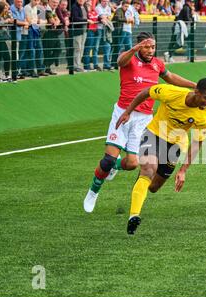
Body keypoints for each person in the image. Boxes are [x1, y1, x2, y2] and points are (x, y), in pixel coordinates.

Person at [83, 32, 197, 213]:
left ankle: (116, 166)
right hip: (122, 113)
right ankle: (93, 192)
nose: (151, 50)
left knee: (132, 164)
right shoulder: (129, 59)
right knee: (107, 160)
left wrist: (194, 85)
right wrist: (134, 49)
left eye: (153, 47)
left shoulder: (157, 64)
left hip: (144, 120)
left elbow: (171, 77)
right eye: (147, 46)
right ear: (139, 46)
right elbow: (120, 62)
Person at [115, 78, 206, 235]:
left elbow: (197, 142)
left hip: (175, 146)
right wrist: (128, 112)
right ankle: (133, 215)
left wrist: (183, 170)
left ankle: (137, 179)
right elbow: (146, 92)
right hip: (153, 134)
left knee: (154, 187)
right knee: (149, 169)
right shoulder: (171, 92)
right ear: (196, 91)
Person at [10, 0, 29, 79]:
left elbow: (27, 20)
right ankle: (14, 73)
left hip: (22, 34)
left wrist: (25, 23)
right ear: (14, 1)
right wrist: (24, 23)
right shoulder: (11, 8)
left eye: (21, 2)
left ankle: (18, 71)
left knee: (20, 54)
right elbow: (14, 21)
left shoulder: (22, 9)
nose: (20, 3)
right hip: (14, 35)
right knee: (15, 54)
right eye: (18, 2)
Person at [44, 0, 61, 75]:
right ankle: (47, 68)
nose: (55, 4)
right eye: (54, 2)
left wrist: (56, 22)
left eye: (57, 3)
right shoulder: (47, 10)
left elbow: (58, 20)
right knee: (48, 52)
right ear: (49, 2)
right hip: (47, 33)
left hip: (54, 33)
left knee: (58, 49)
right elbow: (52, 21)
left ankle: (47, 65)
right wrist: (56, 22)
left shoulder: (52, 10)